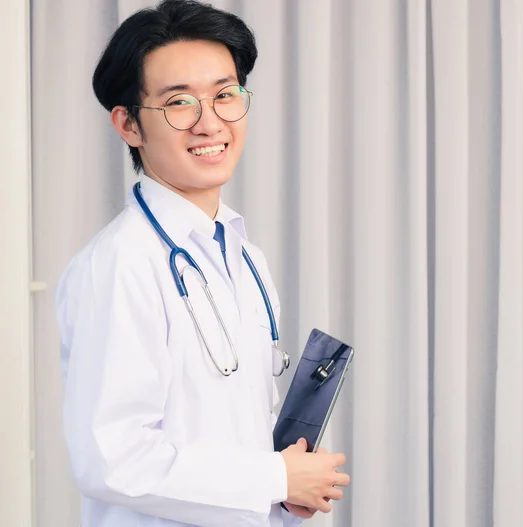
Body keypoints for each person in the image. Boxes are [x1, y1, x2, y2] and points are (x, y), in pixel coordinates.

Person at [54, 1, 350, 526]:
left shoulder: (240, 253)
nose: (210, 122)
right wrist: (274, 478)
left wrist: (283, 488)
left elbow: (233, 426)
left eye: (224, 95)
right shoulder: (121, 263)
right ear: (128, 124)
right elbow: (112, 459)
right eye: (179, 103)